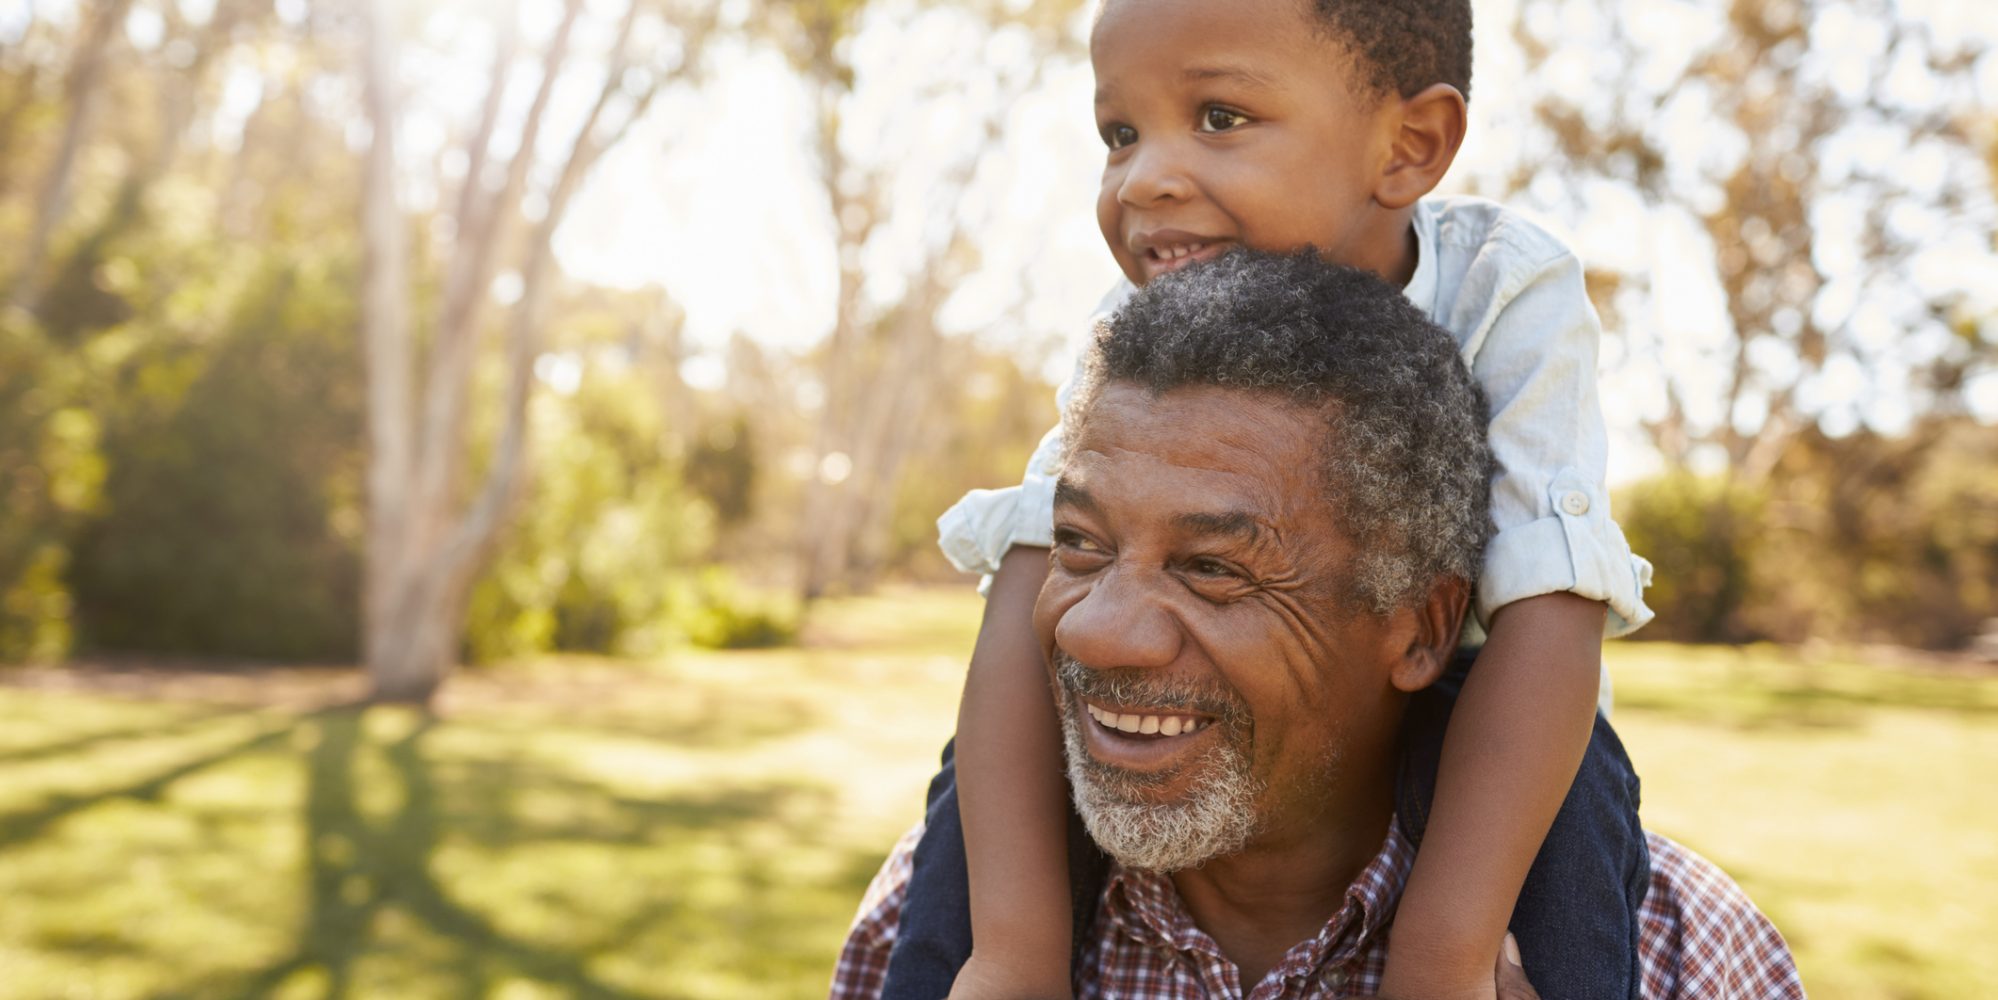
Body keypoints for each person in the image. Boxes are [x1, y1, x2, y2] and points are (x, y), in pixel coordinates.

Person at [885, 0, 1656, 997]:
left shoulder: (1503, 289)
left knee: (1578, 775)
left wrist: (1444, 958)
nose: (1145, 176)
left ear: (1409, 145)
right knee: (986, 762)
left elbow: (1553, 607)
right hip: (1238, 737)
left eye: (1218, 117)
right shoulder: (1134, 327)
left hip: (1471, 711)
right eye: (1119, 133)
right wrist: (1011, 951)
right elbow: (1034, 564)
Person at [839, 251, 1801, 1000]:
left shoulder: (1682, 956)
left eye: (1213, 568)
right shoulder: (935, 929)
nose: (1097, 634)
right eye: (1081, 546)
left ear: (1422, 631)